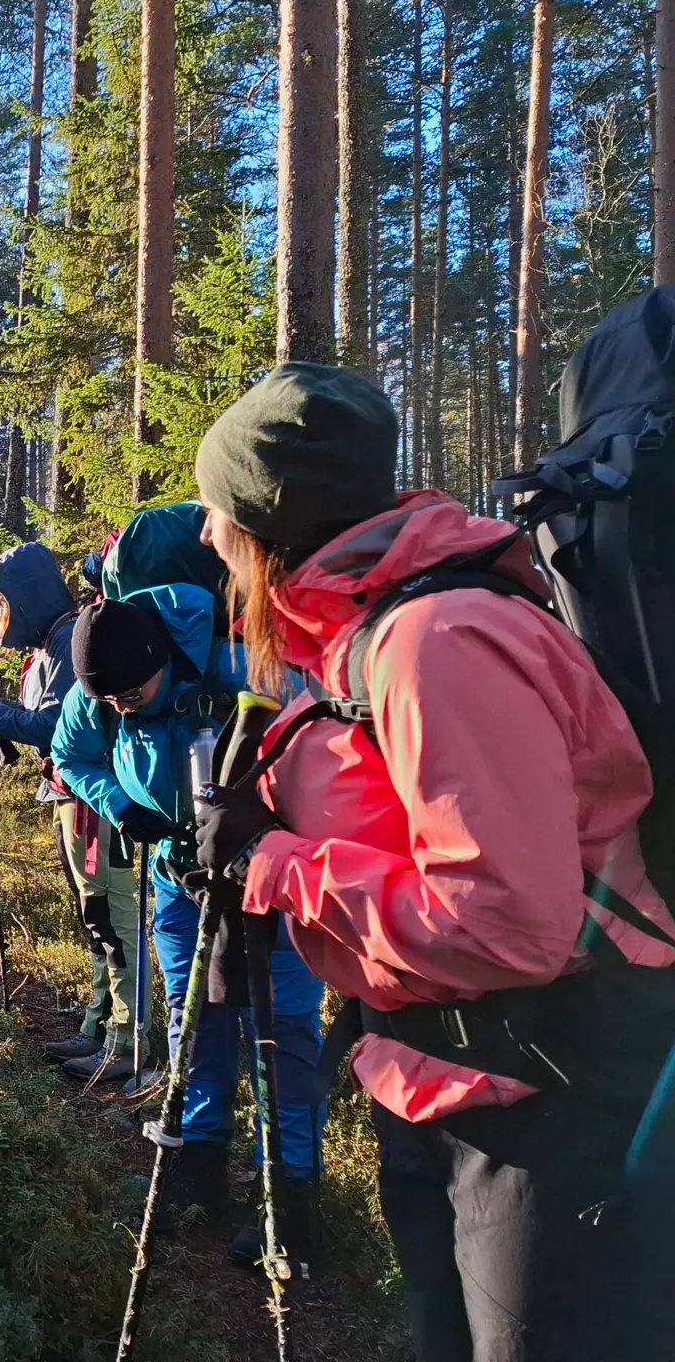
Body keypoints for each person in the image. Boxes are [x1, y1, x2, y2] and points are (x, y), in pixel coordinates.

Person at [191, 362, 675, 1357]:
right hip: (444, 1082)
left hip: (549, 1111)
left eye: (219, 508)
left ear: (270, 521)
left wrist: (276, 866)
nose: (207, 534)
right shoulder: (362, 640)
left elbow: (504, 923)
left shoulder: (437, 641)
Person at [51, 585, 327, 1242]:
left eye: (131, 697)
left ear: (161, 661)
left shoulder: (243, 671)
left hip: (267, 877)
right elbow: (73, 755)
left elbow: (324, 754)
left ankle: (291, 1191)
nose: (119, 709)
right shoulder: (99, 690)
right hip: (179, 877)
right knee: (194, 1013)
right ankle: (198, 1159)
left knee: (281, 1024)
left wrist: (265, 831)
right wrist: (123, 807)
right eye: (108, 702)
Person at [0, 542, 141, 1072]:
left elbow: (53, 726)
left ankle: (128, 1042)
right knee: (95, 915)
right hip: (72, 796)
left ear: (27, 597)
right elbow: (42, 715)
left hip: (94, 799)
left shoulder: (67, 640)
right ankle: (98, 1026)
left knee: (111, 915)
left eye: (2, 601)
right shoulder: (52, 644)